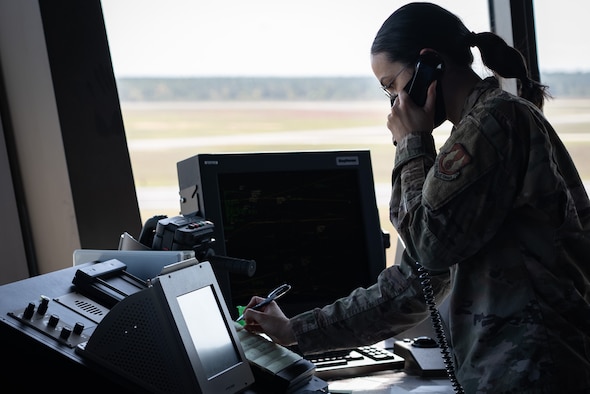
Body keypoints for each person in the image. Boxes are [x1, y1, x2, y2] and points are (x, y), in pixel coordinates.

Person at [241, 3, 590, 393]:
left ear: (429, 64)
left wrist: (411, 142)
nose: (393, 105)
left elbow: (430, 248)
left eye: (392, 86)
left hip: (533, 375)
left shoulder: (495, 123)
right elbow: (414, 282)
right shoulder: (476, 132)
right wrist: (294, 330)